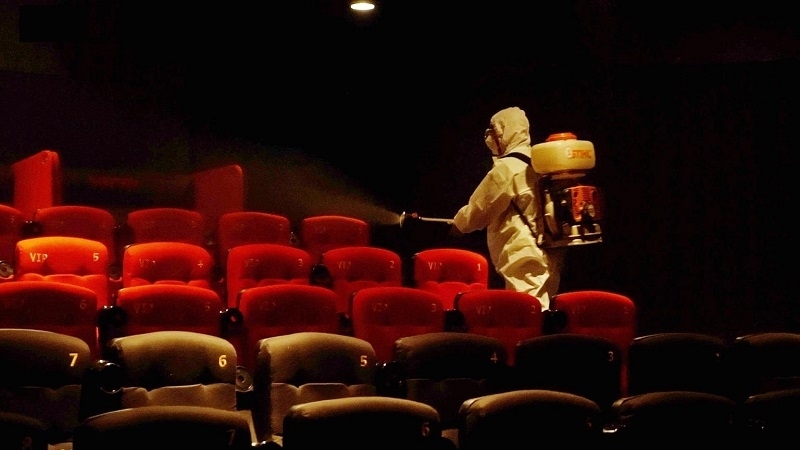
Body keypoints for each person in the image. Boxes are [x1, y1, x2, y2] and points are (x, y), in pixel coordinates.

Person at [449, 106, 564, 310]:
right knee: (544, 310)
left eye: (493, 131)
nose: (489, 137)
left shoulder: (508, 167)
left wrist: (459, 225)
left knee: (528, 312)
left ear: (505, 131)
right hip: (549, 251)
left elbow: (480, 208)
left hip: (523, 254)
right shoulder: (539, 163)